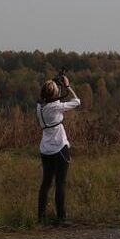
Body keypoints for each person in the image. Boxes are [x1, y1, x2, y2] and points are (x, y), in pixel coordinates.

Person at [36, 73, 80, 226]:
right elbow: (76, 101)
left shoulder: (40, 106)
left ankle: (40, 218)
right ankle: (61, 218)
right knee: (60, 183)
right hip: (59, 147)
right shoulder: (56, 107)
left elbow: (51, 98)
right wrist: (67, 86)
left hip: (45, 149)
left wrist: (54, 84)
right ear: (54, 94)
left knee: (46, 183)